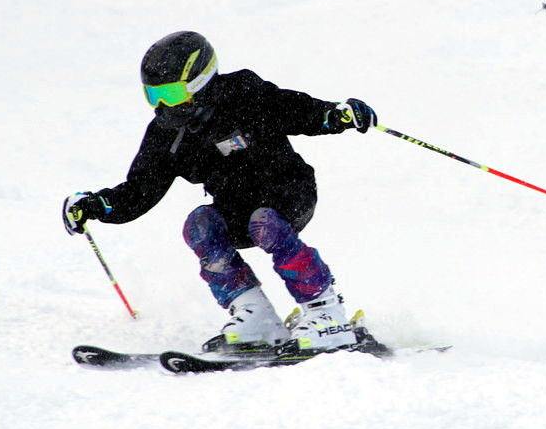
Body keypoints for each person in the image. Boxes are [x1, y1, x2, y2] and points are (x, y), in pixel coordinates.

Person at [61, 30, 378, 353]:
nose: (163, 106)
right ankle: (256, 315)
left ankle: (326, 313)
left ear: (200, 81)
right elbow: (141, 190)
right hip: (236, 206)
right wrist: (98, 206)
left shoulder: (243, 93)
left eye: (170, 94)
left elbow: (296, 110)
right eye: (153, 96)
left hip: (289, 191)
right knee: (200, 224)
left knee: (265, 222)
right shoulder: (166, 135)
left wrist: (336, 115)